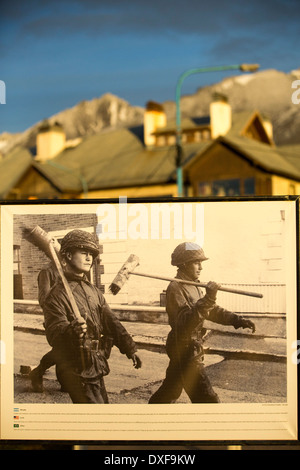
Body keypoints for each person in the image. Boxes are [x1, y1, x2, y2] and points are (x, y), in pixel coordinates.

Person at [42, 229, 142, 404]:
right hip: (74, 368)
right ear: (67, 256)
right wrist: (70, 330)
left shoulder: (94, 291)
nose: (89, 258)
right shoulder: (56, 295)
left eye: (91, 254)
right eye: (83, 252)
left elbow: (112, 322)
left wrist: (130, 348)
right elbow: (54, 333)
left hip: (95, 363)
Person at [148, 242, 256, 404]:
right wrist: (209, 297)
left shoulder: (195, 286)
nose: (201, 267)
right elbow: (185, 322)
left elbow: (211, 310)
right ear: (184, 264)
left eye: (201, 263)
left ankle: (149, 417)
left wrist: (237, 320)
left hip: (190, 347)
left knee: (170, 391)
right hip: (184, 349)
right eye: (196, 263)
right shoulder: (175, 288)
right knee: (207, 399)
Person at [29, 260, 61, 392]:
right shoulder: (46, 272)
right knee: (62, 349)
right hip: (55, 318)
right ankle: (37, 372)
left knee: (67, 349)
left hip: (72, 316)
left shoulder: (67, 270)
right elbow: (44, 299)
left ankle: (65, 380)